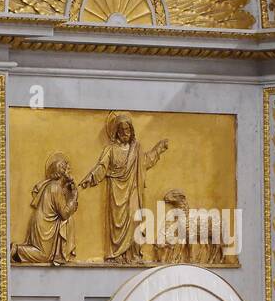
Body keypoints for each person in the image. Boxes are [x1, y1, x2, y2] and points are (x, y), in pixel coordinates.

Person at [80, 111, 167, 263]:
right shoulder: (111, 149)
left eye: (127, 130)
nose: (125, 133)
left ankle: (133, 255)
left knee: (135, 218)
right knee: (117, 226)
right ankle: (116, 255)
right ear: (116, 132)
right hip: (116, 193)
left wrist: (159, 148)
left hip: (133, 191)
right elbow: (102, 166)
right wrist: (91, 177)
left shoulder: (137, 149)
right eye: (121, 130)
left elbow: (146, 162)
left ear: (131, 131)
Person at [11, 153, 77, 264]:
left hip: (43, 222)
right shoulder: (55, 188)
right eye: (68, 170)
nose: (70, 173)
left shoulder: (52, 186)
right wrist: (73, 197)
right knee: (44, 255)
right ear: (62, 172)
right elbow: (64, 214)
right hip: (45, 225)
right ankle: (15, 250)